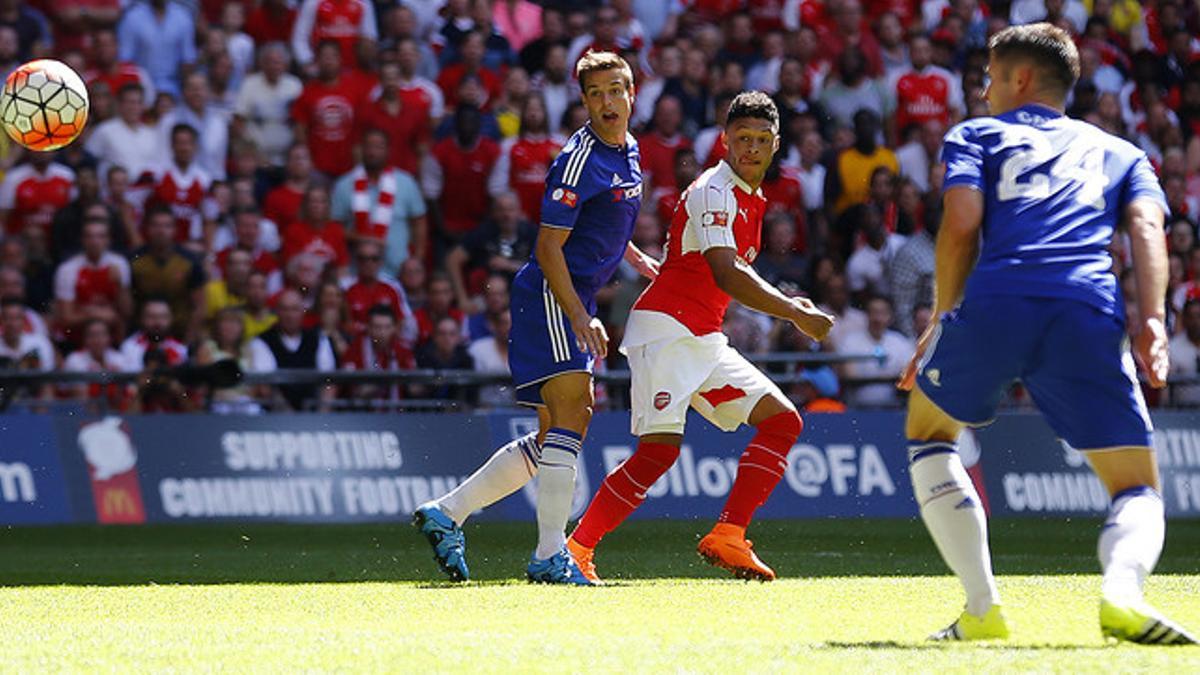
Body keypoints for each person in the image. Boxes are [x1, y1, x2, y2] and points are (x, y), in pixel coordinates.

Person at [897, 24, 1196, 644]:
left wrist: (940, 316)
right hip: (1085, 307)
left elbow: (961, 223)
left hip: (997, 301)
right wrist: (1150, 322)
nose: (982, 89)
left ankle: (982, 608)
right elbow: (1146, 231)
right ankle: (1121, 592)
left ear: (1021, 78)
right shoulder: (1122, 152)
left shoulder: (976, 135)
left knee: (929, 433)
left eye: (989, 75)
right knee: (1136, 485)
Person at [565, 92, 833, 583]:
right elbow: (726, 274)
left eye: (761, 140)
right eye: (742, 139)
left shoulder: (752, 197)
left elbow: (710, 272)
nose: (751, 148)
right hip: (666, 332)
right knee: (658, 452)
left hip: (703, 337)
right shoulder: (715, 189)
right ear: (725, 141)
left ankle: (729, 535)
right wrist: (793, 312)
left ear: (776, 146)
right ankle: (575, 551)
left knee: (782, 422)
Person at [413, 51, 658, 585]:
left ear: (632, 92)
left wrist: (636, 258)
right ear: (584, 101)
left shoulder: (630, 150)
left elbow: (608, 220)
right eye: (596, 93)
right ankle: (550, 555)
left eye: (616, 89)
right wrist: (580, 317)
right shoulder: (577, 157)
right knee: (577, 409)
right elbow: (549, 249)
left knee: (555, 435)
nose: (608, 101)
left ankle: (447, 512)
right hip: (552, 294)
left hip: (572, 295)